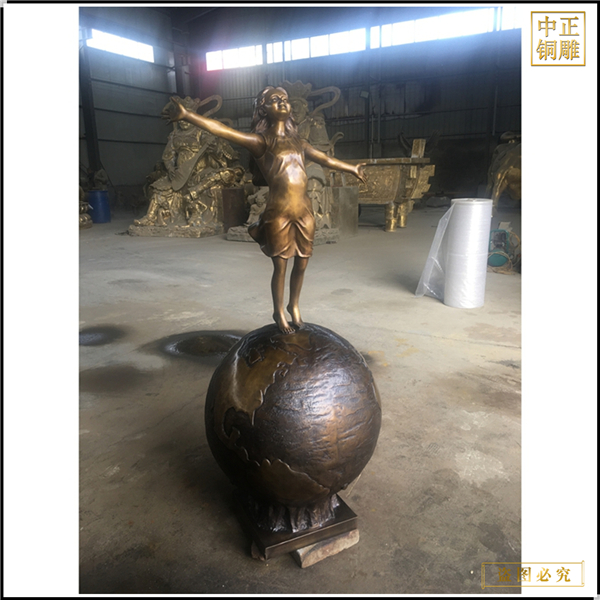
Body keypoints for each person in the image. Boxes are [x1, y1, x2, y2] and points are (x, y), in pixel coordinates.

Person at [163, 86, 366, 334]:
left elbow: (326, 160)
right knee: (280, 267)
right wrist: (187, 115)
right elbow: (223, 130)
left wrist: (352, 168)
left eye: (284, 99)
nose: (282, 103)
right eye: (274, 100)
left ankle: (294, 305)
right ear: (263, 109)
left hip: (304, 212)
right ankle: (278, 311)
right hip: (279, 213)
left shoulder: (300, 143)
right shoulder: (261, 142)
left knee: (302, 264)